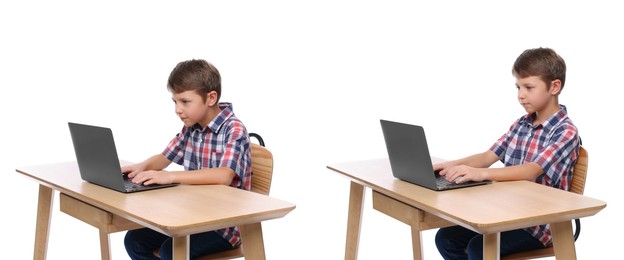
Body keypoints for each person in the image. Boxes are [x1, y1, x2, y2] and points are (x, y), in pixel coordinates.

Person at [434, 47, 580, 259]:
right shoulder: (522, 124)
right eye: (518, 87)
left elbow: (531, 171)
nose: (521, 95)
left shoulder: (565, 132)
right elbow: (487, 157)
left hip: (540, 224)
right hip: (508, 213)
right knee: (446, 238)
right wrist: (451, 165)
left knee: (478, 248)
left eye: (529, 87)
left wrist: (482, 174)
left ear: (554, 86)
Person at [122, 59, 252, 260]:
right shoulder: (191, 129)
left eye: (185, 101)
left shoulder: (233, 129)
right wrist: (139, 168)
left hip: (224, 225)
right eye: (175, 101)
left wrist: (171, 177)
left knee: (170, 251)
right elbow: (164, 158)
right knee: (135, 240)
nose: (177, 109)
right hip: (191, 216)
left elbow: (224, 175)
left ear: (211, 98)